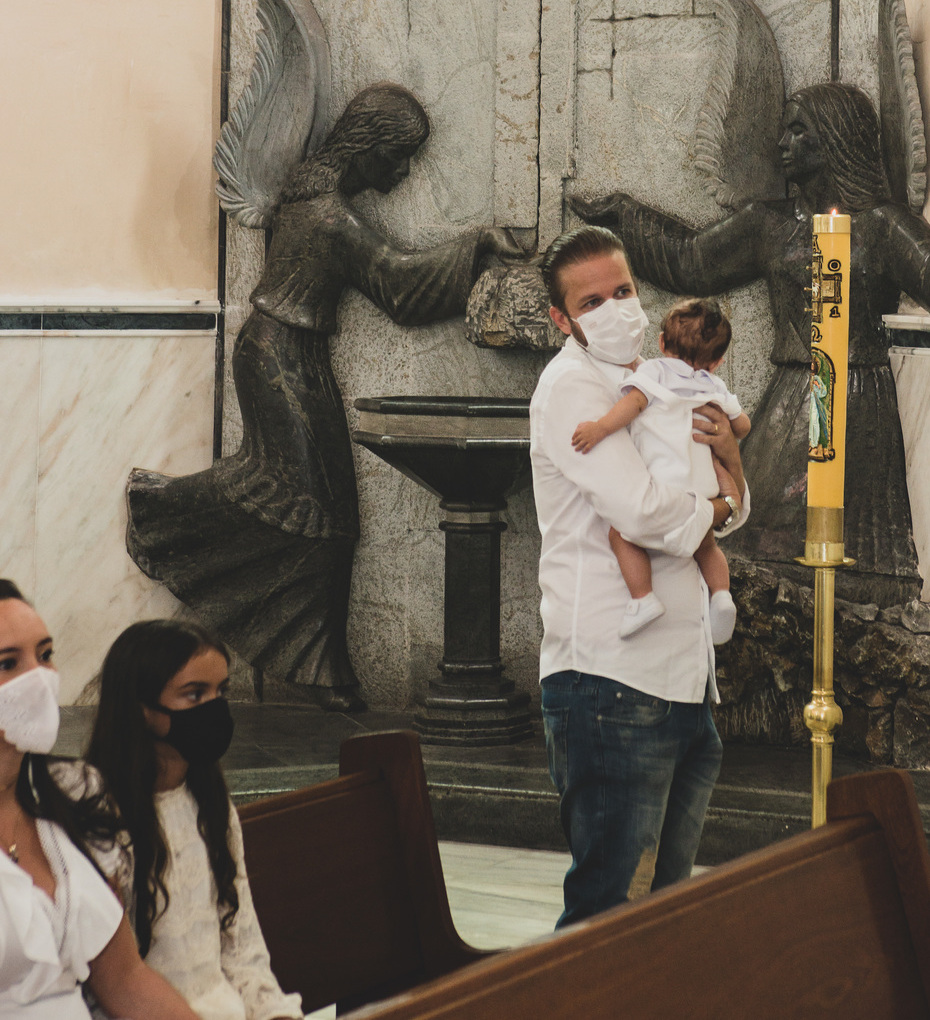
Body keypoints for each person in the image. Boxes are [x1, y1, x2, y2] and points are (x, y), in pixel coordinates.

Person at [127, 82, 524, 711]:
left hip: (291, 354)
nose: (403, 172)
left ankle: (320, 664)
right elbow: (399, 288)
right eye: (399, 157)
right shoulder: (328, 217)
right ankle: (164, 512)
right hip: (277, 357)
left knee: (327, 514)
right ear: (367, 148)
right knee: (312, 511)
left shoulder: (309, 197)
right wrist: (476, 245)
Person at [573, 82, 930, 602]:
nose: (782, 143)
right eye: (784, 129)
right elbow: (692, 261)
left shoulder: (882, 225)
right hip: (791, 395)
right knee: (759, 538)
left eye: (799, 130)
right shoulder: (768, 224)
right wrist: (624, 215)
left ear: (837, 140)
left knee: (847, 546)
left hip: (857, 397)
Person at [530, 228, 749, 927]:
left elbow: (724, 481)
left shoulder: (670, 377)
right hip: (610, 682)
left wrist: (729, 476)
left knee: (661, 920)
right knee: (608, 920)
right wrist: (725, 501)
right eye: (591, 301)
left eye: (622, 291)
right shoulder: (572, 387)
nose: (615, 308)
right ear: (561, 319)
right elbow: (645, 513)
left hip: (683, 677)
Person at [0, 580, 198, 1020]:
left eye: (45, 655)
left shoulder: (73, 792)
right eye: (8, 663)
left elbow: (125, 981)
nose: (40, 678)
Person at [85, 620, 301, 1020]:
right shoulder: (102, 822)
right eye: (195, 694)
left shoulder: (210, 804)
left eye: (221, 692)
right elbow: (111, 986)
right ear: (142, 708)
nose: (214, 708)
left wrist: (275, 1013)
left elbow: (242, 946)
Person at [570, 297, 752, 644]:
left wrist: (600, 428)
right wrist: (729, 429)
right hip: (706, 487)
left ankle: (642, 598)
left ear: (662, 343)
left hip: (666, 484)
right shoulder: (714, 386)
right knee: (707, 547)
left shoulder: (654, 372)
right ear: (718, 361)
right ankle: (722, 596)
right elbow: (742, 426)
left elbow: (633, 404)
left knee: (621, 535)